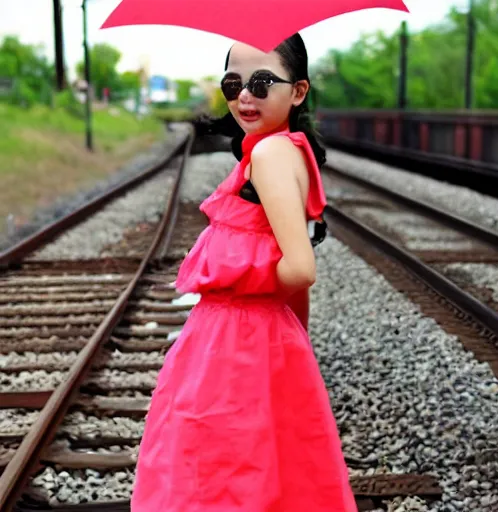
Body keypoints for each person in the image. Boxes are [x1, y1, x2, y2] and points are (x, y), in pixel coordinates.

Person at [131, 33, 357, 512]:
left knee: (217, 481)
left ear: (298, 91)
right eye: (233, 84)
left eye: (261, 81)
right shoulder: (285, 150)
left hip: (236, 346)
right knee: (264, 480)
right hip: (259, 341)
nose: (245, 96)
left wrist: (247, 294)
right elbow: (290, 277)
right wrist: (293, 345)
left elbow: (299, 268)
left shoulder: (272, 156)